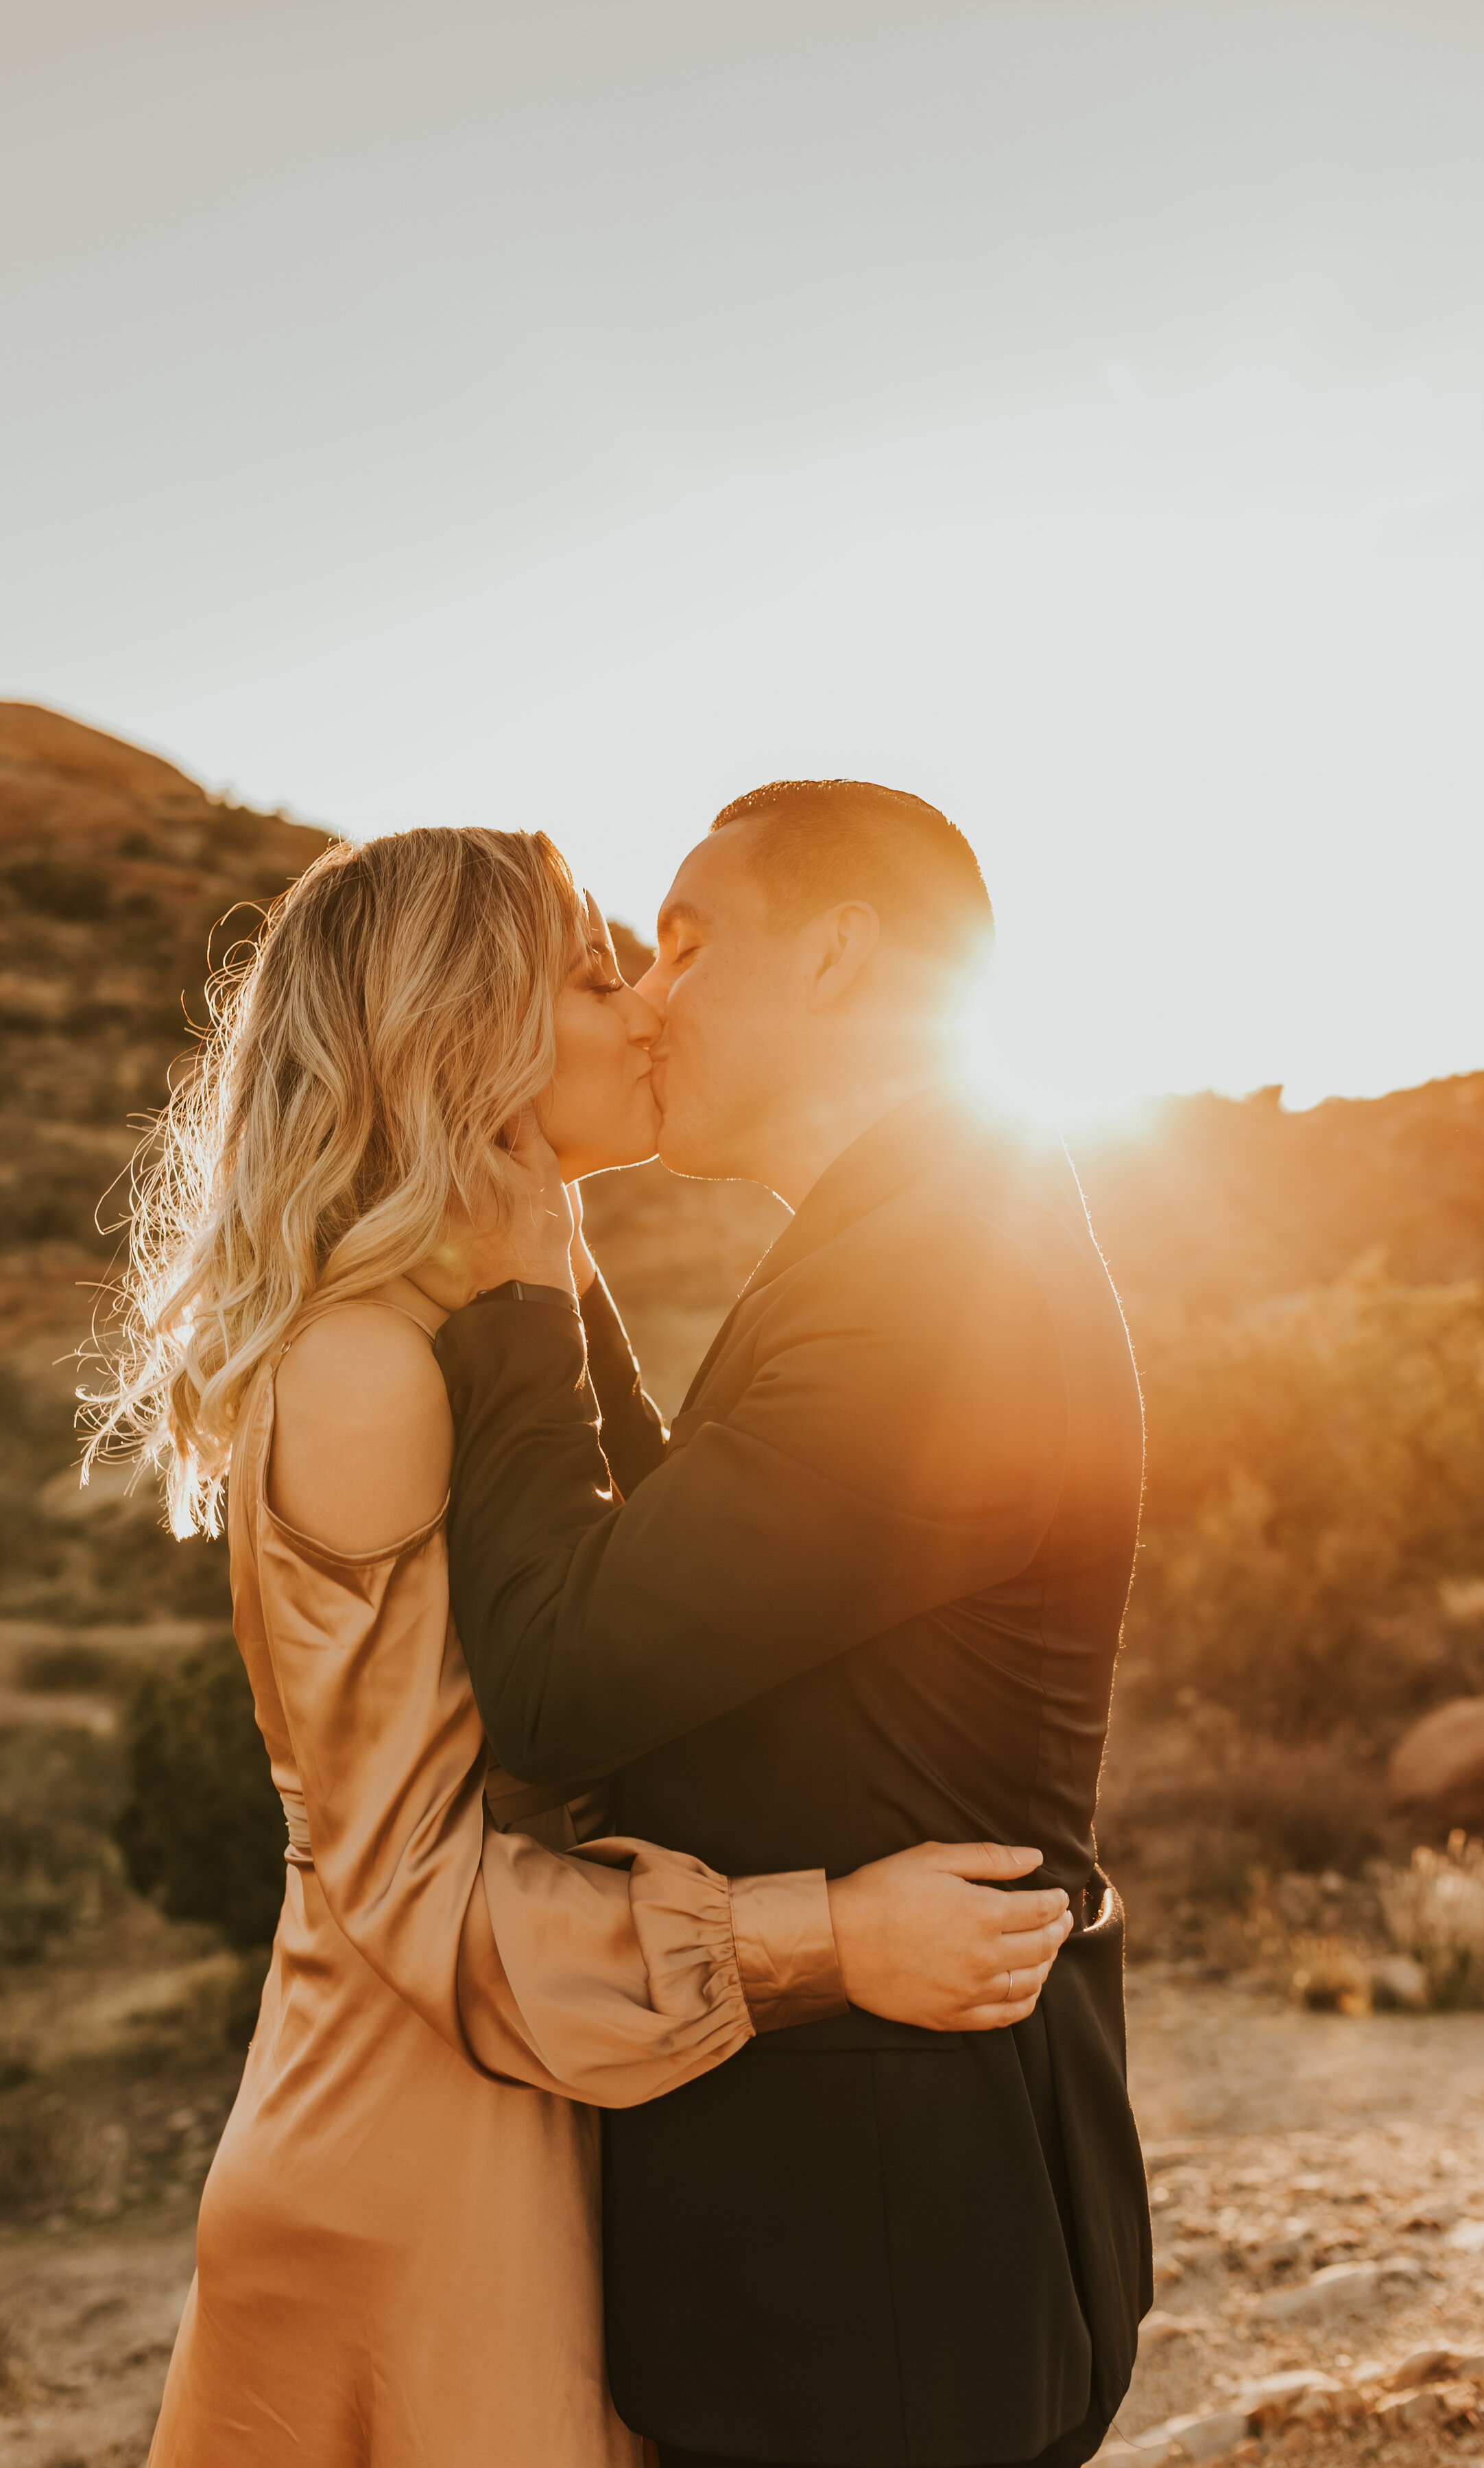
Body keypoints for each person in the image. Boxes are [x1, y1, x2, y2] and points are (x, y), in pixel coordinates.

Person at [87, 824, 1075, 2468]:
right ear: (471, 1025)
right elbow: (408, 1883)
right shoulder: (365, 1369)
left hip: (521, 2091)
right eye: (602, 969)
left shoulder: (452, 1325)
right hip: (422, 2159)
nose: (647, 1012)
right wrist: (823, 1938)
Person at [434, 781, 1154, 2468]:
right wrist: (563, 1246)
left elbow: (558, 1675)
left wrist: (515, 1291)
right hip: (889, 2227)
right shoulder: (909, 1236)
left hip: (885, 2270)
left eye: (687, 942)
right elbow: (705, 1579)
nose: (648, 991)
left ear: (839, 956)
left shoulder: (931, 1285)